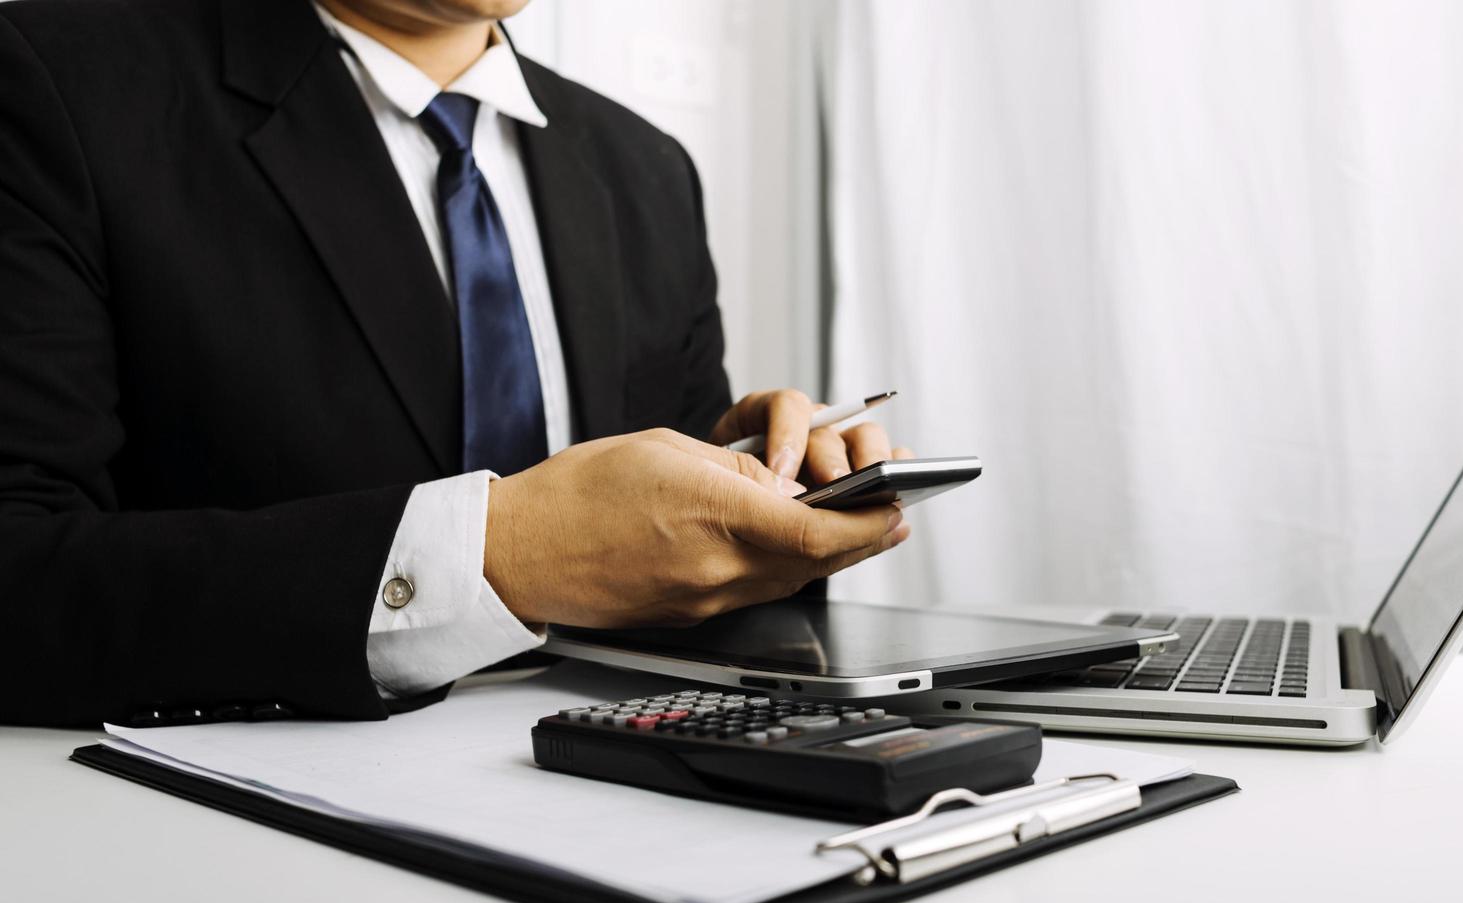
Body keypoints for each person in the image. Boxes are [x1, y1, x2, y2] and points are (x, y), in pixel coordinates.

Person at [0, 0, 910, 728]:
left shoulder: (646, 170)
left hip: (625, 801)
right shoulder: (53, 76)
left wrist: (750, 486)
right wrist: (503, 553)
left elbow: (666, 575)